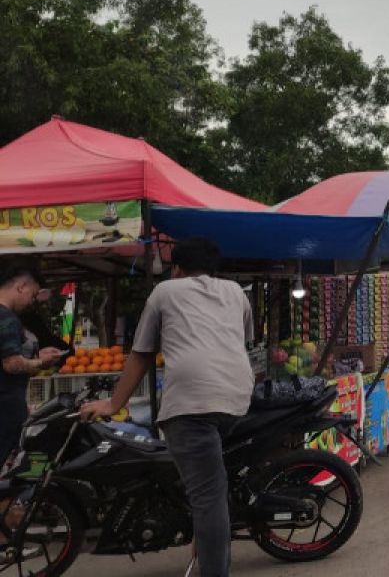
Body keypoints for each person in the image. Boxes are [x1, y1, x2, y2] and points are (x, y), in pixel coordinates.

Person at [81, 238, 254, 577]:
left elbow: (142, 352)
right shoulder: (236, 292)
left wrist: (114, 403)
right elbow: (240, 340)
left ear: (176, 268)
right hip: (235, 398)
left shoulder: (165, 292)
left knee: (208, 498)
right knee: (209, 489)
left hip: (191, 403)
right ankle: (203, 540)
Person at [0, 260, 64, 466]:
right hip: (5, 407)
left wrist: (36, 355)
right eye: (33, 295)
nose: (32, 301)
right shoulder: (6, 318)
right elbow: (11, 364)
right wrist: (41, 362)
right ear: (21, 287)